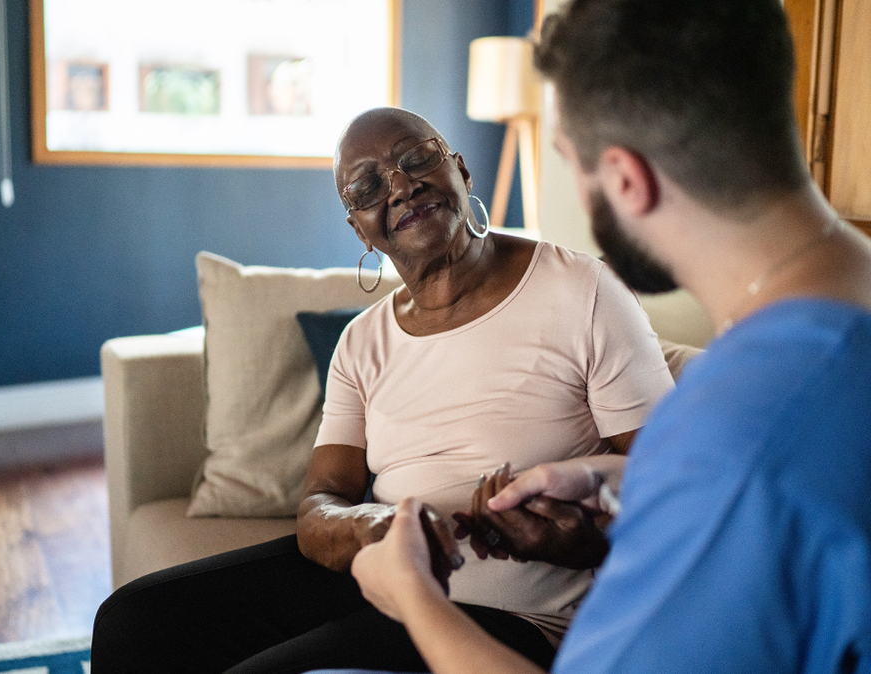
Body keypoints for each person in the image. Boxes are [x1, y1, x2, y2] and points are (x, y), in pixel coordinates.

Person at [331, 1, 871, 673]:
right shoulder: (823, 355)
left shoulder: (734, 439)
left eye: (569, 163)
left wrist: (413, 596)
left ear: (624, 180)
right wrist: (623, 481)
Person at [88, 106, 674, 673]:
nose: (401, 187)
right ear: (360, 228)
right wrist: (367, 524)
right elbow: (320, 503)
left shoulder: (584, 291)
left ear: (460, 170)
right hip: (381, 572)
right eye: (366, 187)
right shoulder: (361, 342)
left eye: (416, 159)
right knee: (132, 624)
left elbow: (672, 486)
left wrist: (585, 542)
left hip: (519, 616)